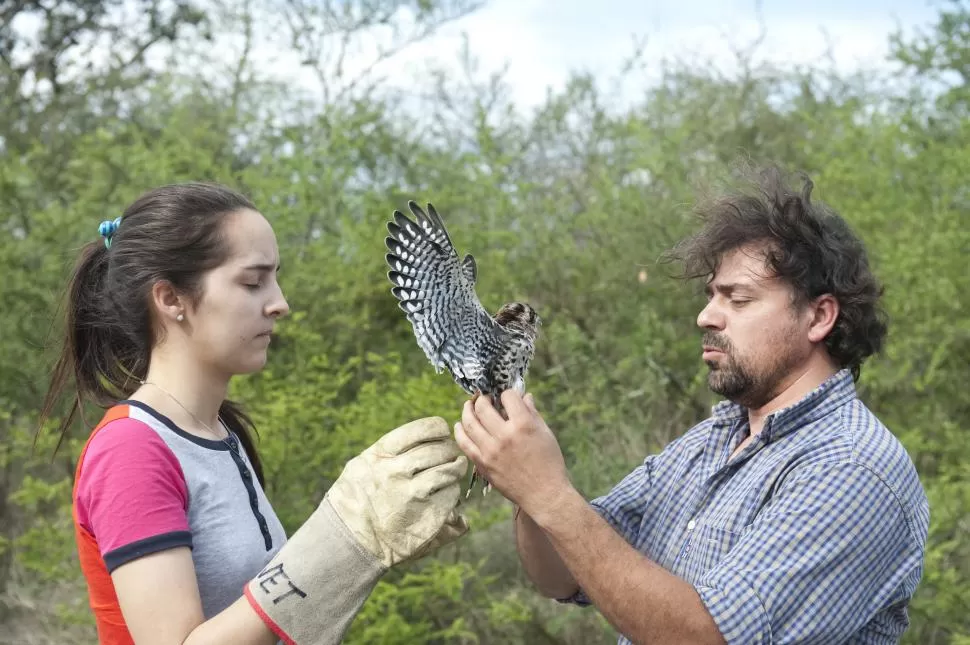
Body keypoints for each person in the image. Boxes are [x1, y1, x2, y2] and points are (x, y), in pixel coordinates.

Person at [455, 166, 930, 644]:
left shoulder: (852, 470)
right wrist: (520, 480)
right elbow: (563, 575)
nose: (706, 315)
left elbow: (709, 637)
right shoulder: (709, 442)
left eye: (738, 299)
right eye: (710, 296)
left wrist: (549, 494)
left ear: (819, 316)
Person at [39, 182, 469, 645]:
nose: (279, 303)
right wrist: (347, 540)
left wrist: (369, 554)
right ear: (170, 300)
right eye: (252, 282)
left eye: (275, 278)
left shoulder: (221, 432)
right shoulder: (131, 450)